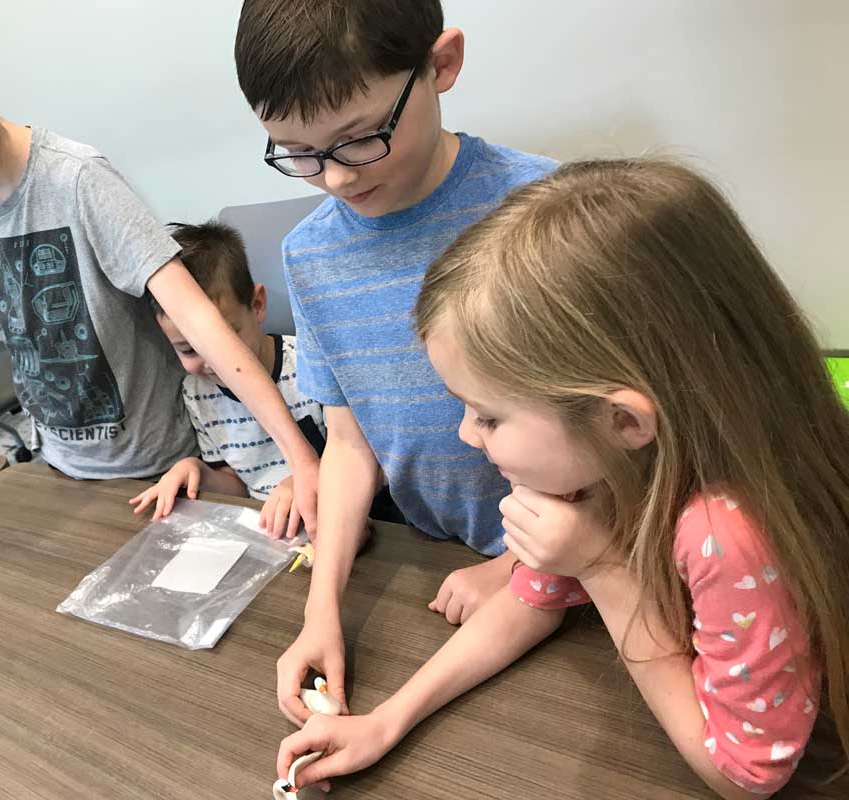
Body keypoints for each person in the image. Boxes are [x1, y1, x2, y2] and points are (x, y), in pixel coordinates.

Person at [278, 159, 849, 800]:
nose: (468, 435)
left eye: (489, 416)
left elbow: (745, 774)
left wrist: (601, 568)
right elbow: (532, 599)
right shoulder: (600, 465)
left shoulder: (727, 530)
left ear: (624, 420)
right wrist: (388, 720)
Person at [0, 2, 319, 531]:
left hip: (150, 469)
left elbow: (197, 316)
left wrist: (300, 455)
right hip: (63, 461)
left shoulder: (77, 180)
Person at [233, 0, 555, 723]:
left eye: (358, 139)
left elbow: (616, 438)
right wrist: (322, 611)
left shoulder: (545, 209)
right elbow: (349, 444)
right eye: (297, 152)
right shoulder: (310, 255)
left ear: (441, 66)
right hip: (434, 560)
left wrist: (516, 567)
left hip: (569, 569)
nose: (336, 180)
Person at [129, 221, 324, 538]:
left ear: (257, 305)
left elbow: (359, 459)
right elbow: (237, 484)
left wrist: (297, 482)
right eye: (188, 349)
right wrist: (197, 472)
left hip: (335, 521)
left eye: (224, 339)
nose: (213, 361)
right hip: (269, 533)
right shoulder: (197, 394)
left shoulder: (310, 363)